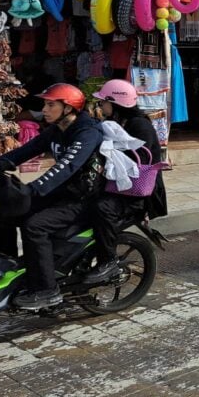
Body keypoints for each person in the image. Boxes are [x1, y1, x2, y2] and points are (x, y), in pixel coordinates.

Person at [0, 84, 105, 310]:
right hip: (62, 194)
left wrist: (32, 189)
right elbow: (19, 154)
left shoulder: (87, 132)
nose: (44, 109)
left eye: (50, 104)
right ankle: (13, 273)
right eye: (45, 104)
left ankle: (47, 290)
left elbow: (67, 167)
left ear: (68, 108)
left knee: (35, 226)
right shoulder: (56, 130)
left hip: (83, 199)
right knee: (1, 218)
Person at [83, 79, 167, 284]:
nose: (101, 106)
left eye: (104, 102)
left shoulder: (139, 125)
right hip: (121, 187)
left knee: (102, 208)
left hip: (137, 193)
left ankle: (108, 262)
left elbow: (140, 162)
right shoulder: (121, 123)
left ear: (116, 102)